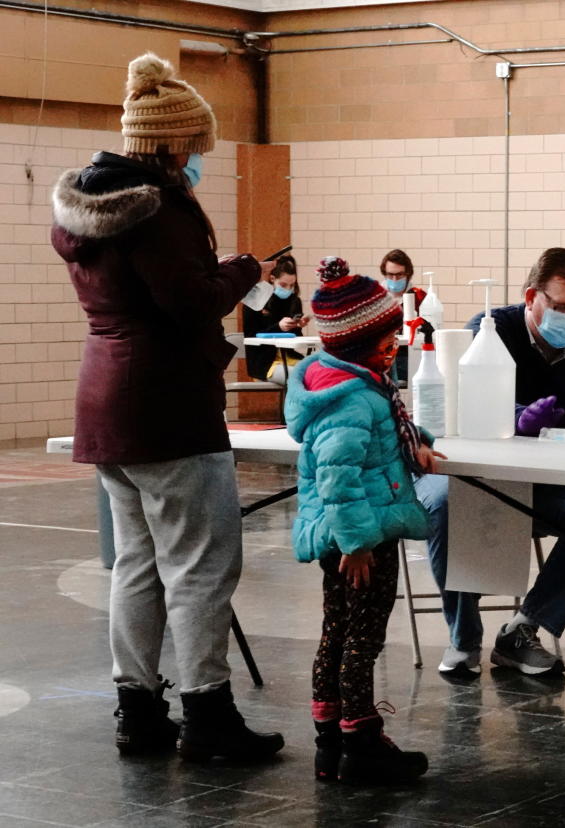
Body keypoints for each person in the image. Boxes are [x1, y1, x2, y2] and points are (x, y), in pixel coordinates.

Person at [49, 52, 283, 761]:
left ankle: (139, 712)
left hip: (106, 404)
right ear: (174, 146)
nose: (198, 161)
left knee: (137, 568)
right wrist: (244, 269)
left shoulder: (86, 212)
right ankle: (209, 717)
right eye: (197, 148)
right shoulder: (157, 211)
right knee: (202, 567)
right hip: (169, 407)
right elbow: (191, 303)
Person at [414, 247, 565, 678]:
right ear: (532, 295)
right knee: (443, 502)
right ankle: (464, 637)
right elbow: (460, 408)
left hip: (542, 485)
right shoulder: (489, 332)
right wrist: (517, 418)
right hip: (472, 478)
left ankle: (525, 627)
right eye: (561, 306)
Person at [284, 257, 444, 785]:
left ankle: (329, 745)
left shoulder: (349, 382)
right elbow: (337, 477)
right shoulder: (350, 399)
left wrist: (415, 443)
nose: (394, 346)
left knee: (337, 632)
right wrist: (357, 545)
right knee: (362, 638)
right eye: (387, 339)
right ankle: (362, 742)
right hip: (360, 538)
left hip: (352, 533)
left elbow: (385, 432)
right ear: (359, 344)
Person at [242, 254, 303, 383]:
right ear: (272, 279)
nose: (288, 289)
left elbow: (296, 337)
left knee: (320, 374)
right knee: (300, 378)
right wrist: (278, 327)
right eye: (283, 284)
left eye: (292, 285)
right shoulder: (255, 299)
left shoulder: (294, 301)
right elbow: (251, 336)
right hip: (264, 362)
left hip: (289, 357)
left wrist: (297, 326)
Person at [380, 249, 425, 384]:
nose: (394, 279)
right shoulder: (375, 297)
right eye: (390, 275)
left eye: (399, 275)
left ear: (408, 274)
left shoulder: (420, 297)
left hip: (409, 357)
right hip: (380, 358)